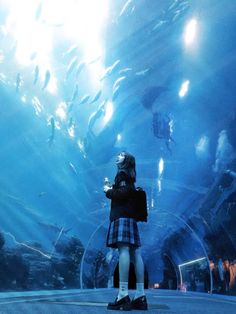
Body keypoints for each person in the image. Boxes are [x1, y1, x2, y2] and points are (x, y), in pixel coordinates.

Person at [104, 151, 148, 311]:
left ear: (126, 161)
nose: (118, 155)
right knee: (136, 253)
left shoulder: (121, 175)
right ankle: (140, 295)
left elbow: (122, 194)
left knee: (123, 250)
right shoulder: (131, 177)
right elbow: (128, 192)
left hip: (122, 217)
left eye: (122, 155)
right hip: (130, 218)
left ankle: (123, 294)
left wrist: (108, 190)